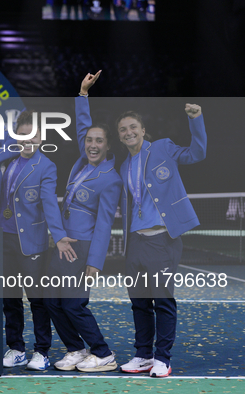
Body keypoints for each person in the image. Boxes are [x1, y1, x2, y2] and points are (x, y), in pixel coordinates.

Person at [0, 70, 77, 371]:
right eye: (23, 134)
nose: (28, 139)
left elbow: (48, 204)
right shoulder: (9, 152)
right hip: (0, 236)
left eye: (33, 134)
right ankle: (15, 347)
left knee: (37, 298)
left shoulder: (47, 166)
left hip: (30, 241)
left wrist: (58, 235)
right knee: (9, 298)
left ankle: (41, 350)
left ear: (41, 136)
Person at [117, 97, 206, 377]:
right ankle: (143, 355)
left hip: (162, 240)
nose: (128, 132)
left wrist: (195, 119)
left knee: (163, 301)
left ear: (143, 130)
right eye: (122, 129)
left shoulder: (163, 148)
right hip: (136, 242)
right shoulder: (124, 166)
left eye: (133, 127)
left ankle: (162, 358)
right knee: (139, 302)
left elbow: (197, 154)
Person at [45, 71, 122, 372]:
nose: (91, 144)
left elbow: (104, 224)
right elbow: (81, 127)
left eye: (98, 141)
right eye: (89, 140)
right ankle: (76, 348)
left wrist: (95, 263)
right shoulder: (82, 161)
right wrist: (82, 94)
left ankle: (103, 353)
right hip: (63, 244)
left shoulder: (111, 179)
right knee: (53, 302)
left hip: (83, 247)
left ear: (107, 145)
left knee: (74, 304)